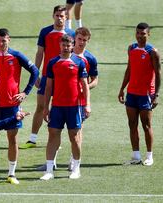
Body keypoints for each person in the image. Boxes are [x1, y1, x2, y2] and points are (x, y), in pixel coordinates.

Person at [0, 28, 39, 185]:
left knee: (12, 138)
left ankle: (11, 174)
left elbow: (35, 71)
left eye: (3, 40)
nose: (1, 43)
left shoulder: (17, 56)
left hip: (12, 105)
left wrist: (25, 92)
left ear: (9, 40)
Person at [20, 5, 75, 167]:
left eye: (62, 16)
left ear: (66, 18)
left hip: (64, 79)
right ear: (53, 16)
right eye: (57, 15)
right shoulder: (45, 32)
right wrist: (36, 73)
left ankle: (57, 139)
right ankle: (33, 139)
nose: (59, 18)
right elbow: (39, 53)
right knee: (40, 106)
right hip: (47, 77)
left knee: (61, 109)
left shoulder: (71, 35)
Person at [40, 34, 90, 180]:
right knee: (52, 136)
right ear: (60, 46)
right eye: (63, 45)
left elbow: (85, 85)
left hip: (74, 107)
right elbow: (49, 87)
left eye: (69, 45)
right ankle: (49, 170)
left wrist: (87, 105)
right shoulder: (52, 62)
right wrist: (45, 107)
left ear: (73, 45)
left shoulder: (79, 62)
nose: (66, 47)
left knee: (74, 138)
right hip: (57, 107)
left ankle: (76, 168)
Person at [118, 22, 161, 166]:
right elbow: (129, 69)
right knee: (132, 124)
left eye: (143, 34)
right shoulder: (131, 48)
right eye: (138, 33)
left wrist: (156, 95)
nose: (140, 36)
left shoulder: (152, 52)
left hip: (146, 94)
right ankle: (136, 156)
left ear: (148, 34)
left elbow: (158, 74)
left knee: (146, 125)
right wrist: (122, 88)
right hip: (132, 93)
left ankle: (149, 155)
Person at [67, 26, 98, 170]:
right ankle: (51, 162)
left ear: (88, 41)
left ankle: (74, 160)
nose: (81, 42)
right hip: (63, 99)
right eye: (79, 39)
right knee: (55, 130)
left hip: (80, 101)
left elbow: (95, 80)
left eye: (84, 40)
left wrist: (84, 87)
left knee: (78, 131)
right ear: (74, 38)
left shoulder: (90, 58)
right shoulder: (66, 54)